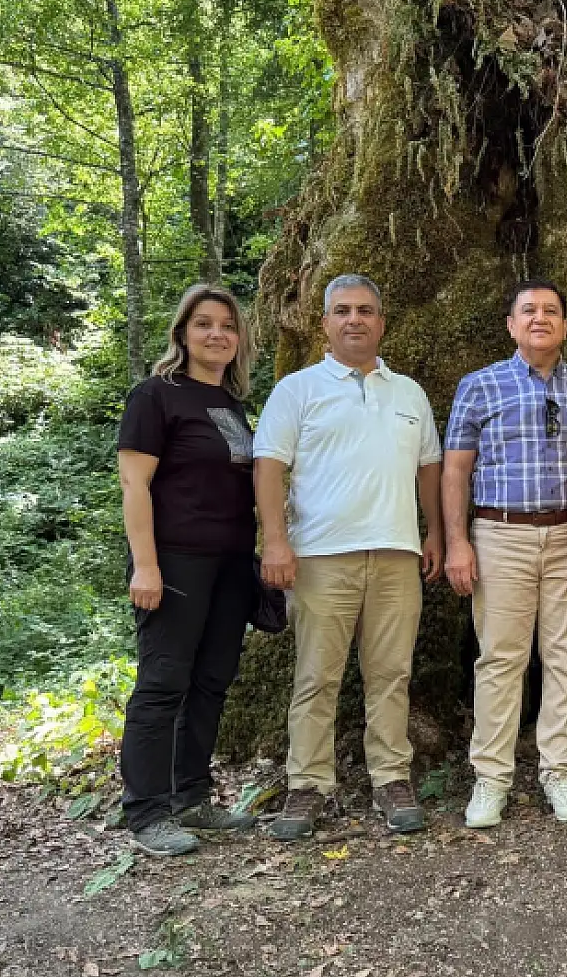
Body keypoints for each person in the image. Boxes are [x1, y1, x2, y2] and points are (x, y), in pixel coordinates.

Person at [252, 274, 445, 841]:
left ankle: (391, 777)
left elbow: (428, 467)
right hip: (320, 559)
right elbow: (268, 466)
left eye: (365, 310)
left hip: (395, 556)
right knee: (317, 677)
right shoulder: (297, 390)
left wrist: (434, 532)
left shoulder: (408, 392)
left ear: (381, 322)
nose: (354, 319)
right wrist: (276, 540)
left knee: (391, 675)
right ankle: (308, 784)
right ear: (325, 324)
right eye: (342, 311)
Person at [443, 279, 567, 828]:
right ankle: (491, 778)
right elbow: (455, 470)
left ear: (565, 325)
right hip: (499, 535)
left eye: (552, 311)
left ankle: (559, 769)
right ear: (511, 324)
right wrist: (457, 540)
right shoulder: (479, 386)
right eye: (529, 311)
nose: (540, 318)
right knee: (500, 659)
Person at [116, 284, 261, 857]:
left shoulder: (229, 403)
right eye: (204, 324)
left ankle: (191, 796)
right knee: (162, 682)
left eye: (228, 325)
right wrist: (146, 566)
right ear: (183, 332)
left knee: (210, 680)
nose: (217, 334)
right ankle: (147, 810)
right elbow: (134, 485)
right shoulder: (156, 396)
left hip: (230, 564)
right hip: (174, 560)